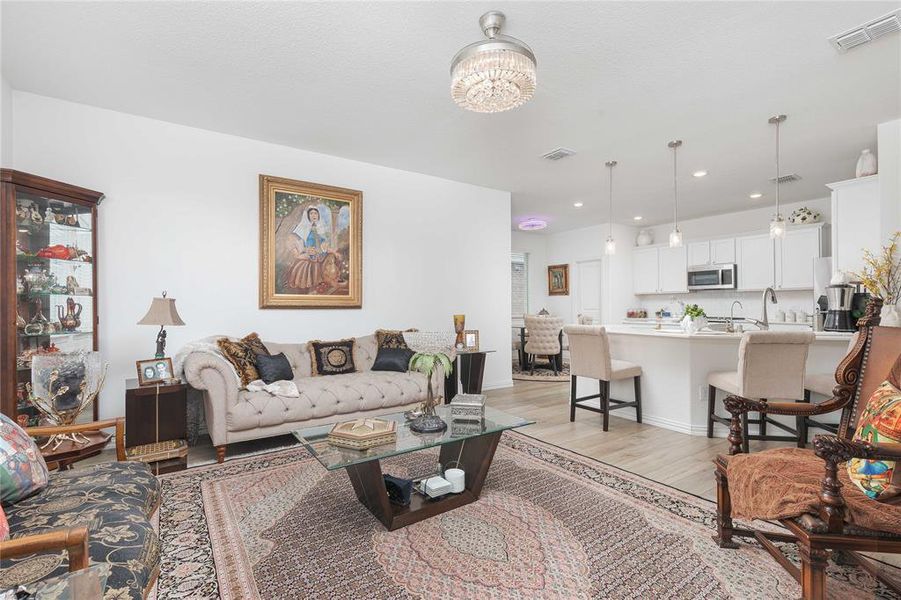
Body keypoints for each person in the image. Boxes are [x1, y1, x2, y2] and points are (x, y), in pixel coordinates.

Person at [284, 207, 331, 292]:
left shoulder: (320, 228)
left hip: (320, 254)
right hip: (308, 255)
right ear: (308, 216)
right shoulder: (303, 229)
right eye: (311, 213)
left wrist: (324, 245)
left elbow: (323, 242)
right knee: (308, 267)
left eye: (316, 213)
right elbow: (296, 245)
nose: (314, 215)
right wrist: (307, 250)